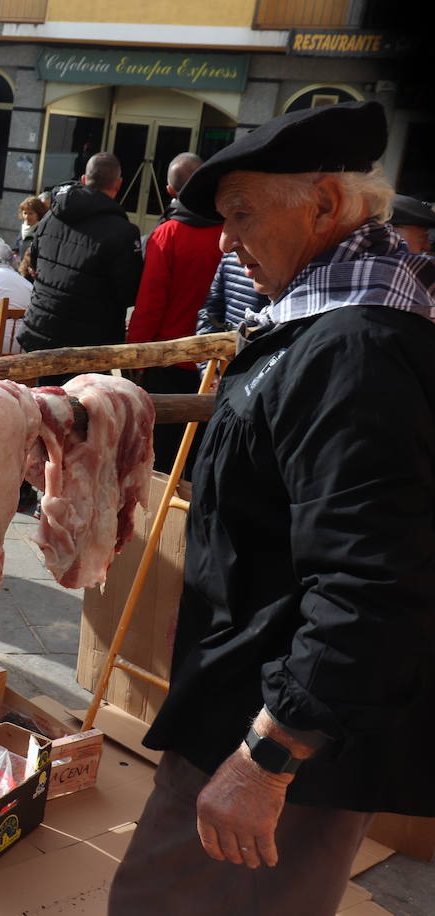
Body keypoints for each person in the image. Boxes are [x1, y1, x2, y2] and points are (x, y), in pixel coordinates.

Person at [109, 101, 435, 915]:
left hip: (279, 734)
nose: (225, 242)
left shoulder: (353, 352)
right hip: (265, 707)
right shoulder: (328, 328)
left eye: (243, 214)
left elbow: (375, 584)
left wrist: (266, 759)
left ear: (326, 204)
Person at [126, 152, 222, 475]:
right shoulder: (231, 231)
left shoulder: (167, 234)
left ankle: (158, 524)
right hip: (215, 366)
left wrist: (135, 356)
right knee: (198, 460)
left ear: (170, 192)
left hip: (168, 361)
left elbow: (150, 305)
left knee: (161, 461)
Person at [17, 152, 142, 382]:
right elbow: (128, 294)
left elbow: (33, 265)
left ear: (84, 179)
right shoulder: (124, 232)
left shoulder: (51, 216)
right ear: (119, 184)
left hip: (41, 332)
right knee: (80, 411)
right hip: (88, 345)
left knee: (45, 405)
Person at [195, 250, 267, 337]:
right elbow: (212, 308)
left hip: (258, 345)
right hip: (227, 344)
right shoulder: (229, 254)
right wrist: (207, 344)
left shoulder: (275, 258)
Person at [15, 195, 49, 265]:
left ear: (38, 214)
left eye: (30, 213)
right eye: (25, 213)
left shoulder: (42, 230)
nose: (27, 217)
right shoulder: (23, 229)